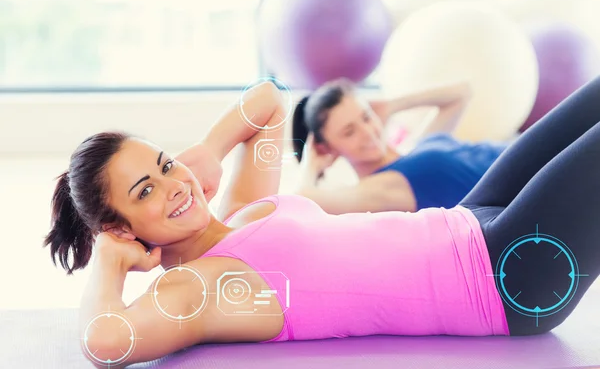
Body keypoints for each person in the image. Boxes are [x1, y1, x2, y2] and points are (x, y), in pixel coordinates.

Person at [44, 79, 600, 369]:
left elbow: (269, 101)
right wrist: (111, 259)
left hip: (473, 221)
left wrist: (211, 148)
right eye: (146, 191)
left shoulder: (239, 212)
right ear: (122, 227)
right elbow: (107, 343)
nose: (174, 185)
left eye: (165, 165)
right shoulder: (205, 288)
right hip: (511, 276)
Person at [292, 78, 507, 214]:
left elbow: (462, 93)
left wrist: (392, 105)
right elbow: (303, 199)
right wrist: (311, 163)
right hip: (524, 181)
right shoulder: (381, 188)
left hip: (519, 155)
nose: (367, 132)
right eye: (349, 132)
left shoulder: (414, 147)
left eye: (366, 117)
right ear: (327, 148)